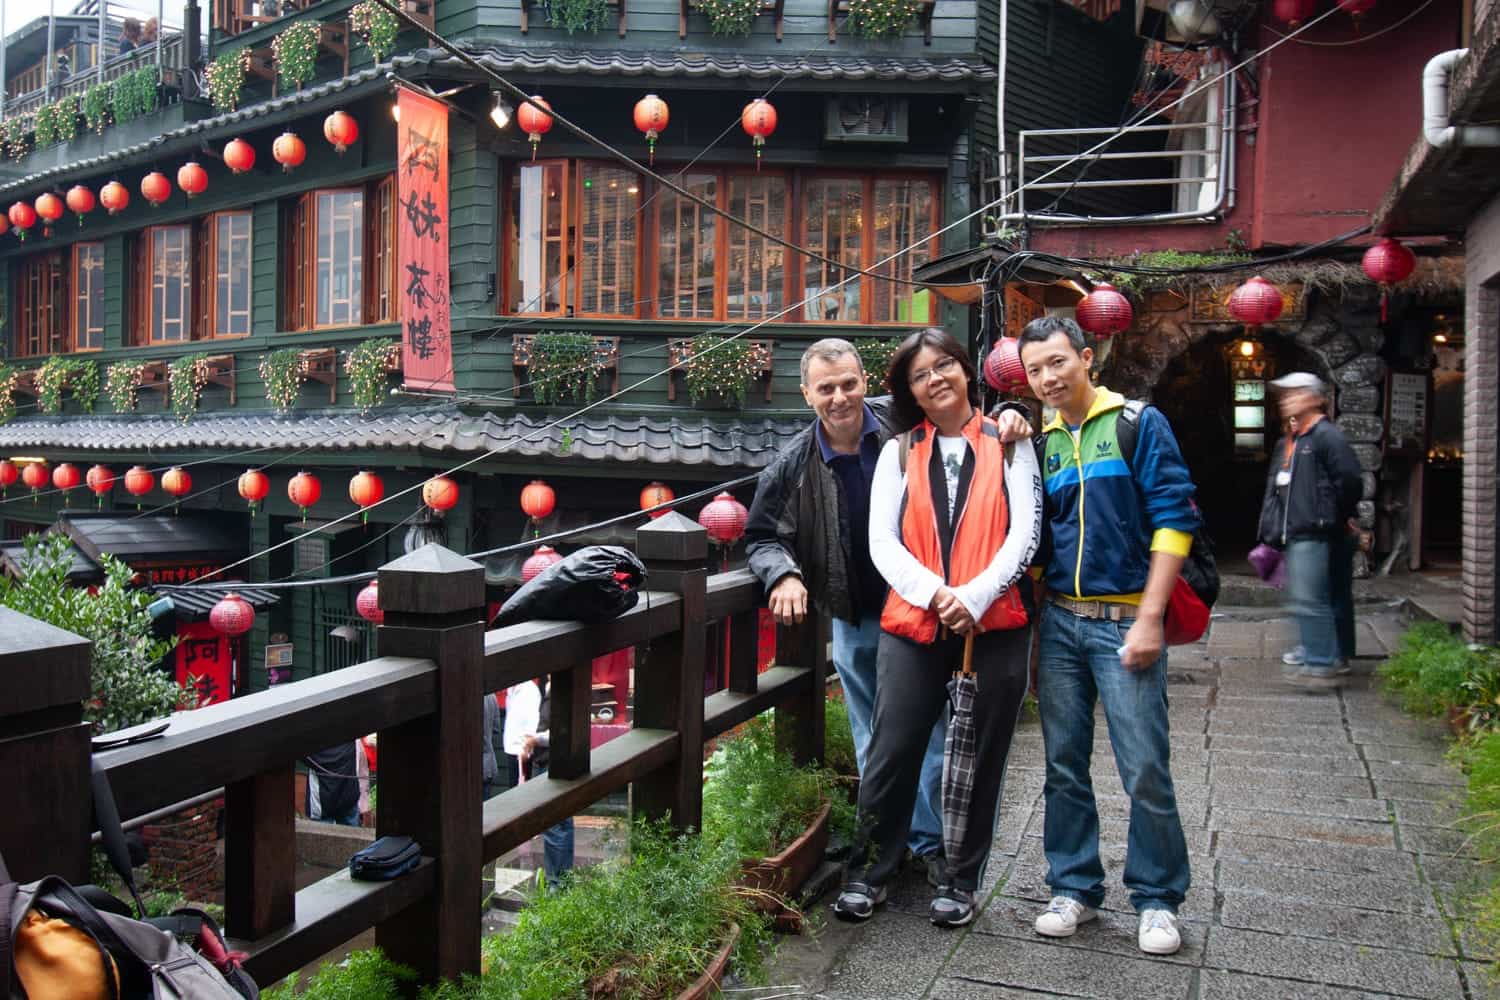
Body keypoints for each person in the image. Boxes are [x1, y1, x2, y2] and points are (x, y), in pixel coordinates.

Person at [832, 328, 1041, 928]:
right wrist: (937, 594)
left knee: (979, 754)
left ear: (967, 371)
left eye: (945, 365)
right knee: (892, 748)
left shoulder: (1010, 440)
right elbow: (882, 542)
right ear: (911, 393)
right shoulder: (900, 452)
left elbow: (1025, 532)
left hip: (995, 620)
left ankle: (959, 879)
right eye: (922, 375)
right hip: (915, 620)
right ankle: (870, 871)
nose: (936, 379)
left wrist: (975, 596)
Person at [1019, 316, 1199, 956]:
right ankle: (1073, 888)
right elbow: (1038, 535)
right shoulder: (1040, 444)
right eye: (1035, 369)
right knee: (1063, 766)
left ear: (1086, 358)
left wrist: (1151, 616)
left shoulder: (1136, 424)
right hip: (1061, 622)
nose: (1047, 378)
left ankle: (1157, 899)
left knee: (1145, 767)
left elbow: (1175, 517)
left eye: (1057, 362)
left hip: (1125, 621)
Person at [745, 337, 948, 882]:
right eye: (827, 388)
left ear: (866, 381)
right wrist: (783, 573)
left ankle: (931, 843)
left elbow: (963, 420)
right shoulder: (793, 464)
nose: (840, 398)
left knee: (930, 725)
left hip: (918, 605)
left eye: (849, 384)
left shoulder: (901, 430)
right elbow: (761, 536)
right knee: (872, 731)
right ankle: (883, 840)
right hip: (854, 612)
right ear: (806, 393)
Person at [1258, 372, 1363, 687]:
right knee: (1315, 595)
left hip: (1314, 529)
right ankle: (1323, 652)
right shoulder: (1295, 440)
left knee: (1309, 598)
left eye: (1296, 392)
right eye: (1285, 394)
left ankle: (1320, 662)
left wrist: (1335, 516)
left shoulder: (1326, 436)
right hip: (1299, 529)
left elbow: (1350, 481)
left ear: (1317, 398)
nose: (1287, 399)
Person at [503, 677, 574, 889]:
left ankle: (557, 882)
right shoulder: (550, 691)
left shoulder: (557, 692)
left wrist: (535, 740)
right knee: (559, 824)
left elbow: (561, 732)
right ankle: (561, 879)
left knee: (555, 825)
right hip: (548, 761)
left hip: (553, 764)